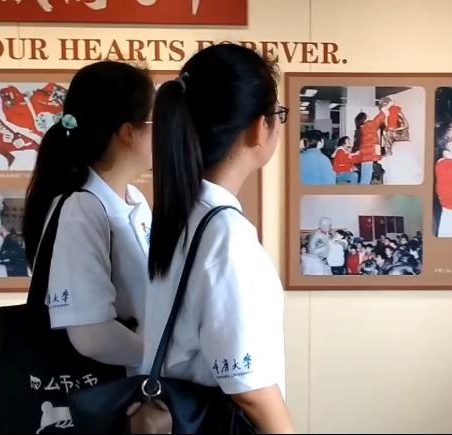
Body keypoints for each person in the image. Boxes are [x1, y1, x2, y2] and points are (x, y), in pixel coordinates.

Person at [143, 44, 295, 433]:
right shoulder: (226, 234)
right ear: (260, 127)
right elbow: (251, 391)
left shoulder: (184, 215)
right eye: (279, 114)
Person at [23, 61, 155, 371]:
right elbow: (92, 335)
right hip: (110, 392)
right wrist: (166, 362)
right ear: (129, 132)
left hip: (139, 386)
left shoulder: (133, 199)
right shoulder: (82, 208)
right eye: (155, 121)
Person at [353, 112, 385, 184]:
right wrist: (384, 111)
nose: (369, 115)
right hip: (368, 155)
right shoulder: (368, 125)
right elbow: (378, 120)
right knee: (366, 178)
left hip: (365, 155)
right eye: (367, 116)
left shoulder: (363, 128)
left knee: (365, 176)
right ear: (364, 119)